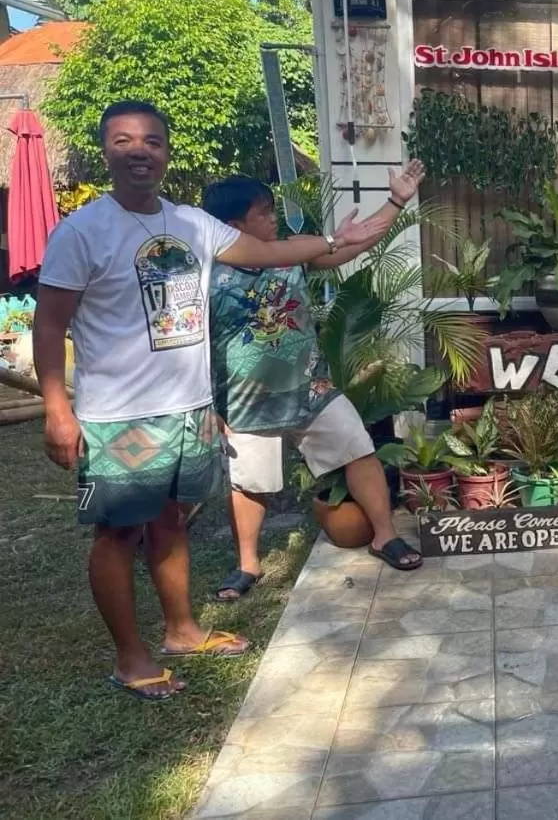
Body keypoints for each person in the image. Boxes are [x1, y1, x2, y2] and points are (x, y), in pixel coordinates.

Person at [33, 100, 393, 701]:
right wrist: (56, 409)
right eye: (124, 141)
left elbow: (266, 254)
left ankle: (181, 630)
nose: (139, 150)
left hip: (191, 406)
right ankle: (131, 657)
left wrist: (334, 239)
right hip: (120, 415)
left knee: (172, 521)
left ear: (166, 151)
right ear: (107, 151)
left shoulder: (192, 224)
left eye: (151, 139)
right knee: (118, 534)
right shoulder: (81, 232)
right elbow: (48, 327)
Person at [204, 168, 425, 601]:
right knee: (249, 481)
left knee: (358, 448)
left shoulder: (289, 253)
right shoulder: (206, 276)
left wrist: (397, 201)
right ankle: (247, 563)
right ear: (233, 228)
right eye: (264, 214)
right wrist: (206, 404)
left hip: (312, 389)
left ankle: (384, 536)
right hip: (246, 401)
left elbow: (351, 243)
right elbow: (190, 344)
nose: (274, 221)